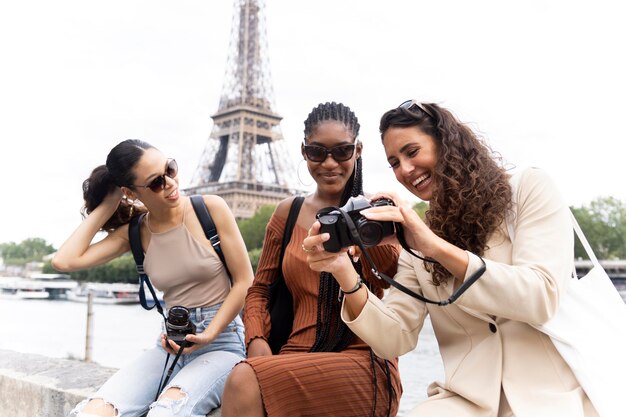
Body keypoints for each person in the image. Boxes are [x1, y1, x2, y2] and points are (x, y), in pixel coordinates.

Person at [302, 101, 600, 417]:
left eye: (412, 152)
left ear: (446, 143)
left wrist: (436, 248)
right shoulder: (415, 239)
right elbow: (394, 338)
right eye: (394, 162)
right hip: (466, 403)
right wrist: (342, 270)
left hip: (552, 397)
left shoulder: (528, 189)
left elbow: (540, 296)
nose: (404, 170)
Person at [220, 102, 403, 417]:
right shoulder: (287, 214)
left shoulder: (377, 216)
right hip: (296, 353)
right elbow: (259, 289)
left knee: (242, 379)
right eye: (318, 152)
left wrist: (365, 237)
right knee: (247, 373)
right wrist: (256, 339)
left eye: (342, 151)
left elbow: (390, 282)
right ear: (304, 152)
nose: (330, 163)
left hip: (364, 360)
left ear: (358, 150)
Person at [52, 139, 253, 417]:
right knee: (93, 412)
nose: (170, 182)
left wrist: (208, 334)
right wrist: (109, 204)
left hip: (221, 343)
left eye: (170, 169)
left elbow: (245, 281)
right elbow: (64, 260)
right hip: (169, 345)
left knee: (167, 412)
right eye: (156, 182)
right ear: (131, 192)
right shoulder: (136, 232)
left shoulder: (210, 209)